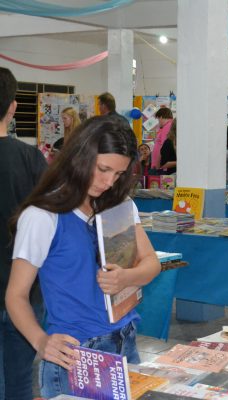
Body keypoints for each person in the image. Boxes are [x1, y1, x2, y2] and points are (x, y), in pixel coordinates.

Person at [5, 115, 161, 398]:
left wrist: (127, 277)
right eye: (103, 169)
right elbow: (15, 295)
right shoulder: (43, 216)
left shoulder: (120, 204)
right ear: (81, 155)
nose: (108, 181)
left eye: (118, 174)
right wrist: (40, 341)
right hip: (77, 353)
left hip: (125, 340)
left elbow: (152, 263)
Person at [0, 66, 47, 400]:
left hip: (22, 290)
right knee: (19, 382)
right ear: (13, 107)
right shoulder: (31, 159)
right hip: (25, 289)